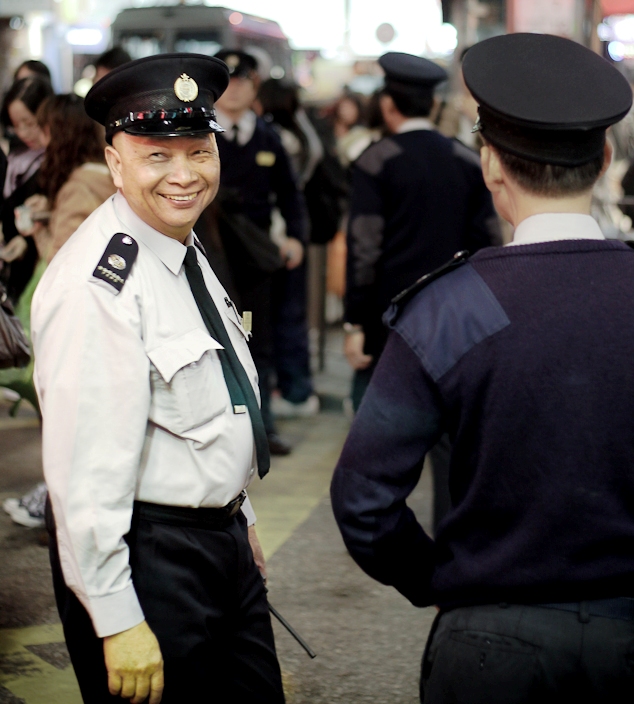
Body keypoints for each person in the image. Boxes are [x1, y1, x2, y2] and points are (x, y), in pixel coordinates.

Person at [331, 33, 634, 702]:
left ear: (491, 166)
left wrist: (441, 579)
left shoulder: (451, 307)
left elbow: (363, 500)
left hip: (491, 642)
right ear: (605, 157)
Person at [32, 53, 284, 703]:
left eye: (198, 152)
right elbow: (83, 477)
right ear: (114, 162)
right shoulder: (100, 285)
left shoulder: (179, 243)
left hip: (217, 541)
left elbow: (212, 398)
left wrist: (239, 510)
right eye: (156, 156)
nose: (183, 176)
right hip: (152, 557)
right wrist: (116, 620)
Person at [344, 51, 500, 530]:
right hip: (457, 321)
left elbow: (364, 248)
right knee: (453, 446)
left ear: (389, 104)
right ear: (432, 105)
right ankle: (452, 539)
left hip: (392, 321)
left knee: (378, 443)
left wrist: (356, 321)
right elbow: (487, 243)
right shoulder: (465, 159)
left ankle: (381, 530)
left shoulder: (375, 161)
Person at [2, 93, 116, 529]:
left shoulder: (76, 185)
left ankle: (58, 504)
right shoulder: (105, 172)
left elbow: (67, 261)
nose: (34, 137)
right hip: (108, 317)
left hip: (80, 320)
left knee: (70, 421)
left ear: (57, 132)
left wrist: (37, 231)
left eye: (40, 127)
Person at [200, 49, 308, 455]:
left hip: (256, 260)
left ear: (255, 85)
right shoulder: (199, 131)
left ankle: (262, 427)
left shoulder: (267, 137)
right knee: (209, 338)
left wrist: (295, 236)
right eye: (228, 80)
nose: (236, 88)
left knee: (255, 338)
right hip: (209, 255)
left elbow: (291, 196)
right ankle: (218, 428)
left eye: (243, 80)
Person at [0, 77, 53, 302]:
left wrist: (26, 241)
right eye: (16, 124)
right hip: (13, 268)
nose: (23, 132)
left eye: (29, 123)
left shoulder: (56, 162)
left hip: (41, 269)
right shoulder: (14, 155)